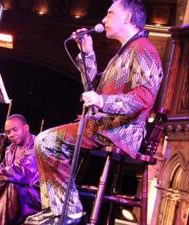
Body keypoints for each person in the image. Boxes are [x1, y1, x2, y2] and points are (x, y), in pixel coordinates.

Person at [27, 0, 163, 224]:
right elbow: (94, 87)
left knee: (47, 140)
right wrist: (87, 54)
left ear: (127, 17)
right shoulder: (125, 52)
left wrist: (102, 101)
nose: (103, 20)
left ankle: (66, 211)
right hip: (107, 124)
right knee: (47, 140)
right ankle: (57, 207)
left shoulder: (143, 50)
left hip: (122, 129)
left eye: (110, 13)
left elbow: (142, 97)